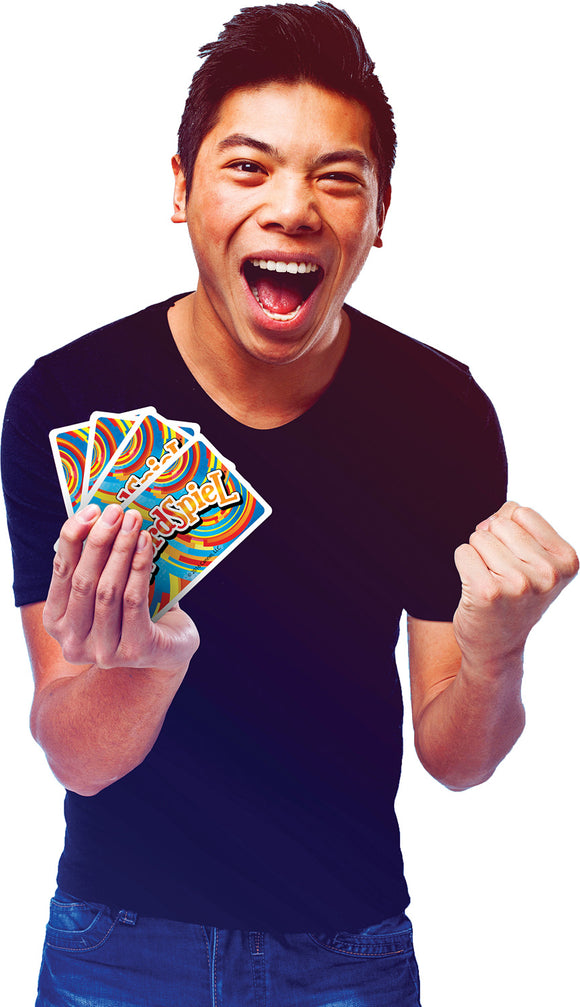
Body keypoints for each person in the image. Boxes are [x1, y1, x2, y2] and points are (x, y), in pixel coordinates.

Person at [1, 3, 577, 1005]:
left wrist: (496, 652)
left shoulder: (440, 413)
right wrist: (146, 664)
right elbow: (78, 757)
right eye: (249, 166)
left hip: (346, 950)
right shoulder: (67, 399)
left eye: (336, 176)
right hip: (119, 944)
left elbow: (458, 758)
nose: (292, 208)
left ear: (380, 214)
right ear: (180, 190)